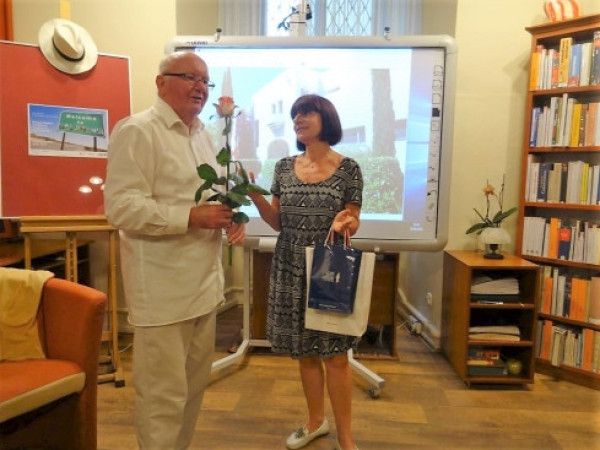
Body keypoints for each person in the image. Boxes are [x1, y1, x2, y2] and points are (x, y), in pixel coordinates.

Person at [104, 51, 245, 449]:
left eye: (205, 81)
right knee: (162, 398)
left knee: (193, 388)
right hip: (163, 290)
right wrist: (190, 217)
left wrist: (230, 217)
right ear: (161, 82)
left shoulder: (203, 136)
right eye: (189, 77)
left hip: (204, 287)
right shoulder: (138, 131)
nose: (200, 87)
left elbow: (209, 197)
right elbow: (120, 207)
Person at [248, 94, 363, 450]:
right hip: (290, 264)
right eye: (295, 114)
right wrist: (254, 195)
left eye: (306, 112)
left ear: (326, 118)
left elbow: (353, 220)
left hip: (329, 266)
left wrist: (347, 222)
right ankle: (316, 422)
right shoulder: (283, 167)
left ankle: (346, 438)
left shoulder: (348, 168)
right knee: (305, 352)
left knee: (336, 356)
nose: (298, 119)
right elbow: (277, 222)